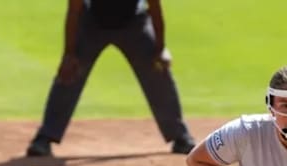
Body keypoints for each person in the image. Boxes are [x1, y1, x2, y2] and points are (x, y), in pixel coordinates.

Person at [26, 0, 195, 157]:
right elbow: (74, 10)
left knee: (157, 71)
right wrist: (69, 54)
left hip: (134, 23)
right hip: (92, 22)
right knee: (71, 71)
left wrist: (160, 49)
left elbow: (155, 8)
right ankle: (45, 136)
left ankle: (180, 136)